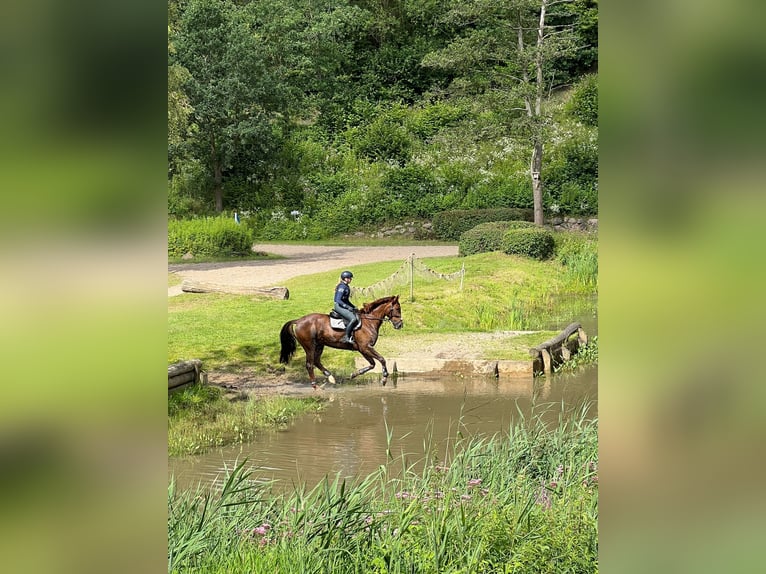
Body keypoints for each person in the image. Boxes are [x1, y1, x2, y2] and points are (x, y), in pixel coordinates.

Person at [334, 270, 359, 344]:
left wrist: (353, 307)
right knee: (353, 319)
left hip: (342, 305)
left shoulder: (346, 286)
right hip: (338, 306)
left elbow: (346, 300)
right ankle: (346, 337)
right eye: (350, 278)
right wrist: (347, 307)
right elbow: (338, 300)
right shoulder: (342, 287)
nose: (351, 279)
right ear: (345, 278)